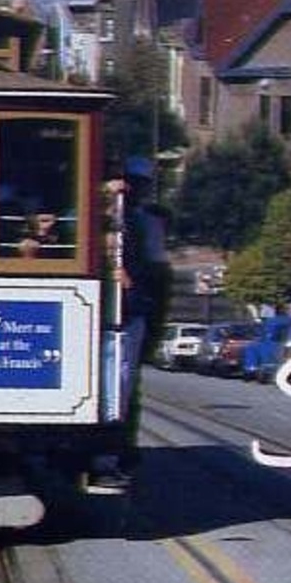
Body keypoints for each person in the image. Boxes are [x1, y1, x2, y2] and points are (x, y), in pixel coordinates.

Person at [91, 155, 171, 490]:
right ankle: (105, 453)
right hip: (98, 307)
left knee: (123, 385)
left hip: (131, 310)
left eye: (142, 184)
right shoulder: (100, 207)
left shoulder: (148, 221)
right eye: (130, 182)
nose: (134, 189)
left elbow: (156, 265)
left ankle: (114, 452)